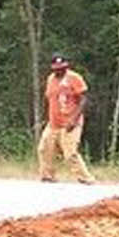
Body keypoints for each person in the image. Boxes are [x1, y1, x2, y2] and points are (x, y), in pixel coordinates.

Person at [38, 53, 96, 184]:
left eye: (62, 67)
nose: (59, 70)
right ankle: (48, 175)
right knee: (44, 148)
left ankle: (86, 178)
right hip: (53, 121)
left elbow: (83, 99)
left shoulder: (74, 78)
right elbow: (50, 99)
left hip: (70, 121)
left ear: (67, 66)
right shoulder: (50, 79)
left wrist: (74, 119)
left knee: (70, 153)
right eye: (56, 67)